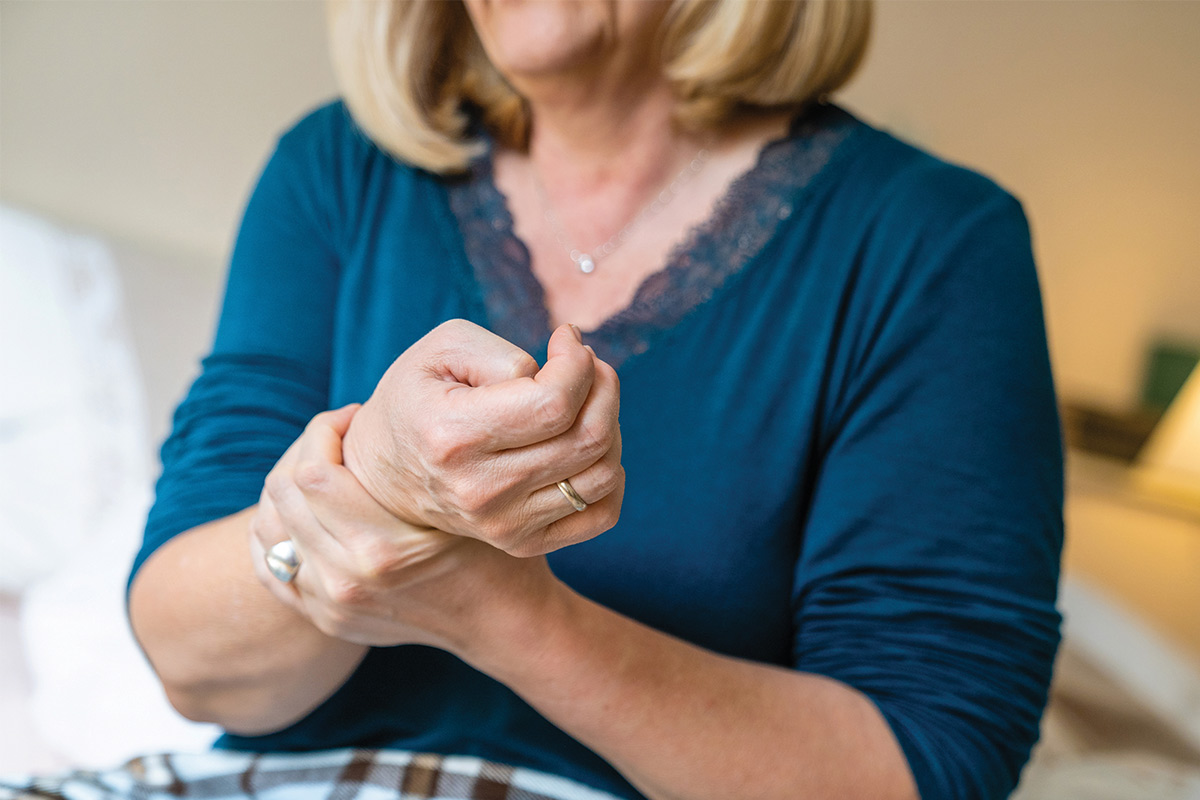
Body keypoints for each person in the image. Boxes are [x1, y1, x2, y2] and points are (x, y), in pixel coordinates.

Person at [121, 1, 1063, 799]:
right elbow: (192, 663)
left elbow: (928, 764)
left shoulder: (932, 243)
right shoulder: (338, 168)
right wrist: (377, 487)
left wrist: (499, 610)